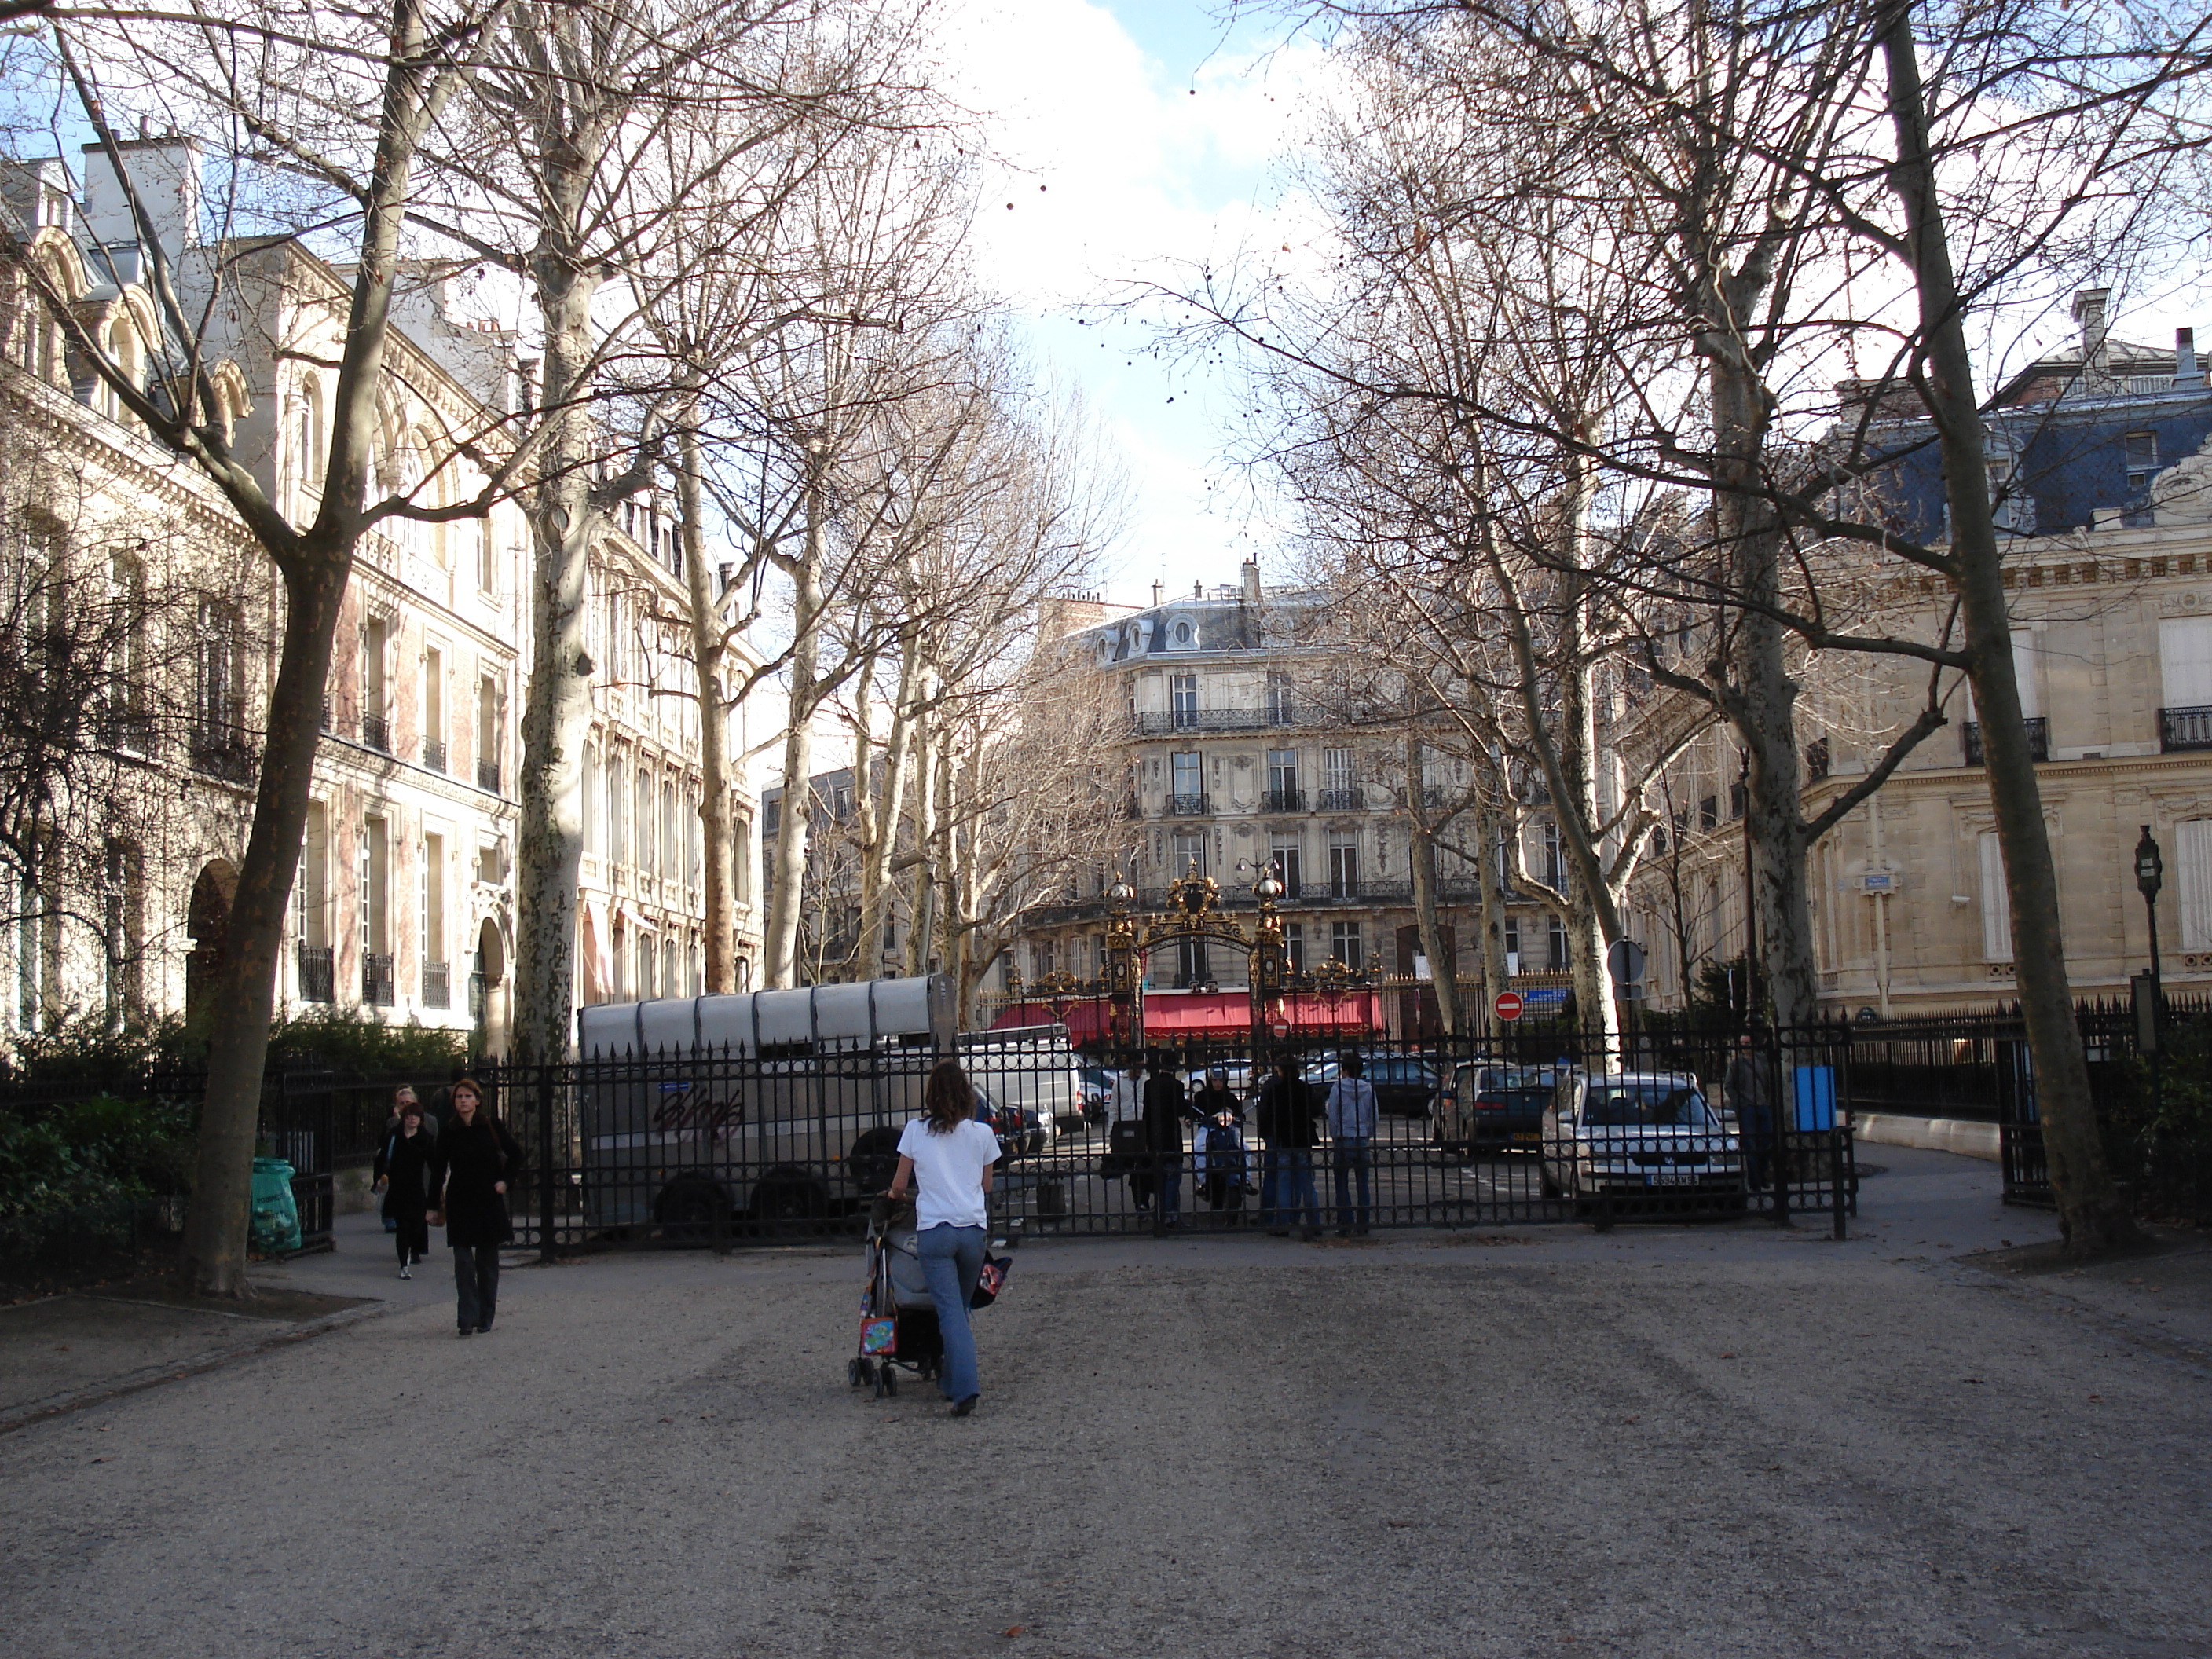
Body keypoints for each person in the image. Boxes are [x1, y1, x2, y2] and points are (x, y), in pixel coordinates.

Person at [888, 1060, 998, 1418]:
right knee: (959, 1310)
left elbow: (899, 1186)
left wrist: (899, 1198)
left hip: (935, 1232)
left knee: (949, 1312)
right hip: (972, 1232)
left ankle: (964, 1389)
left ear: (931, 1095)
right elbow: (986, 1186)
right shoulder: (982, 1134)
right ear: (967, 1094)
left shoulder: (915, 1132)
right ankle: (951, 1381)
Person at [427, 1078, 519, 1337]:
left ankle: (485, 1315)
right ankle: (466, 1316)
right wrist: (432, 1205)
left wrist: (505, 1181)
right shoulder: (449, 1131)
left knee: (487, 1263)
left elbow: (515, 1154)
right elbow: (438, 1170)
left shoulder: (491, 1126)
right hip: (460, 1200)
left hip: (488, 1199)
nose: (463, 1101)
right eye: (459, 1097)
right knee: (463, 1262)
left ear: (477, 1100)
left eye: (468, 1096)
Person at [1259, 1056, 1323, 1239]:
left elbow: (1267, 1113)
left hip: (1284, 1139)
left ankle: (1283, 1224)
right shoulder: (1305, 1089)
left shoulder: (1276, 1090)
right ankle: (1314, 1222)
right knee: (1306, 1184)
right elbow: (1315, 1110)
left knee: (1284, 1183)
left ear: (1281, 1071)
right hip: (1302, 1139)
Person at [372, 1097, 436, 1278]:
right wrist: (379, 1179)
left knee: (416, 1224)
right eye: (409, 1116)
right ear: (404, 1118)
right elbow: (382, 1159)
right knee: (403, 1227)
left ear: (420, 1119)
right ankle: (403, 1263)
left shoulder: (425, 1138)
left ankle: (414, 1250)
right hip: (398, 1187)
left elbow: (434, 1164)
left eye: (416, 1116)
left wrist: (436, 1187)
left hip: (416, 1188)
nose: (412, 1120)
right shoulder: (394, 1136)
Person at [1325, 1052, 1379, 1237]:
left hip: (1344, 1137)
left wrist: (1335, 1135)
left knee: (1341, 1183)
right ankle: (1363, 1223)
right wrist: (1367, 1134)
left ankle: (1345, 1223)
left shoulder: (1337, 1088)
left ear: (1345, 1070)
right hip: (1361, 1137)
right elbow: (1374, 1116)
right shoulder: (1368, 1089)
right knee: (1362, 1184)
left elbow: (1333, 1115)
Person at [1140, 1049, 1194, 1223]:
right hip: (1171, 1133)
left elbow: (1146, 1112)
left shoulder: (1149, 1084)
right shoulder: (1176, 1085)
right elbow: (1180, 1110)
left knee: (1160, 1175)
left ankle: (1161, 1211)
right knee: (1173, 1173)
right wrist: (1188, 1106)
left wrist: (1146, 1137)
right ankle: (1170, 1213)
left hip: (1154, 1134)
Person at [1723, 1034, 1781, 1193]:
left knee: (1766, 1143)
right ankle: (1755, 1181)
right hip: (1747, 1108)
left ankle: (1762, 1176)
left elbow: (1771, 1080)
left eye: (1747, 1042)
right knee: (1750, 1145)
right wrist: (1740, 1104)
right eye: (1742, 1043)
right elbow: (1728, 1086)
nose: (1745, 1046)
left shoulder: (1763, 1061)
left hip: (1763, 1106)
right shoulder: (1736, 1065)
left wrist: (1769, 1100)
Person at [1190, 1067, 1247, 1213]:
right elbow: (1194, 1112)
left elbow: (1240, 1114)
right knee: (1199, 1148)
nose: (1217, 1083)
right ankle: (1203, 1182)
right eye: (1214, 1080)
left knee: (1245, 1148)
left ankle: (1246, 1180)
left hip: (1229, 1130)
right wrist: (1191, 1119)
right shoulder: (1201, 1096)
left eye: (1220, 1080)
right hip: (1208, 1129)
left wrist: (1239, 1118)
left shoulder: (1231, 1097)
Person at [379, 1087, 435, 1229]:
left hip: (420, 1172)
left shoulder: (430, 1121)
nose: (406, 1106)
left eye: (408, 1102)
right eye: (402, 1103)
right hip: (399, 1174)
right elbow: (386, 1147)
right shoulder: (393, 1123)